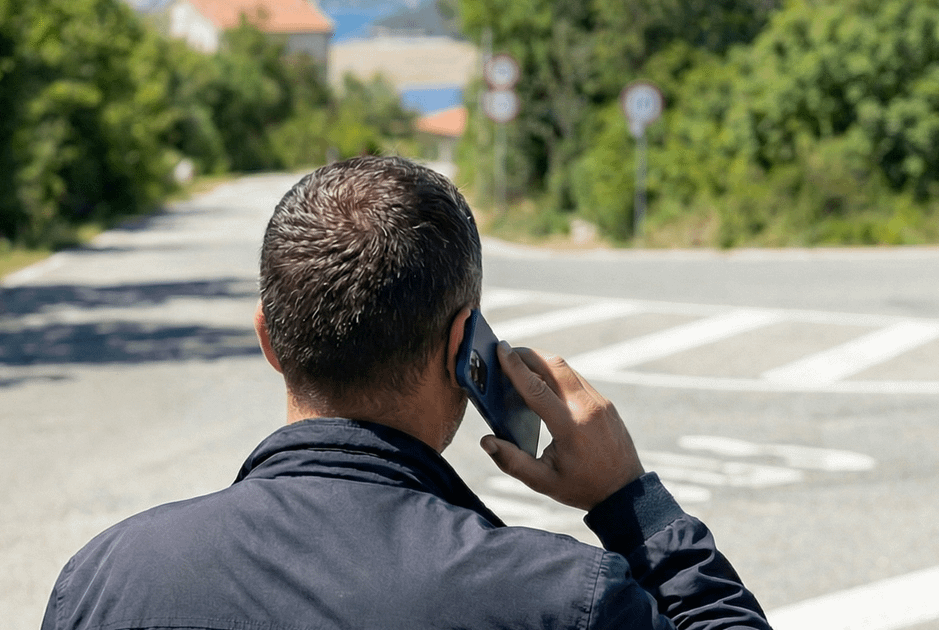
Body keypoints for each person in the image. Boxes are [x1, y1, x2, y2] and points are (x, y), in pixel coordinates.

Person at [40, 156, 772, 630]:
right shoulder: (564, 599)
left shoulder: (106, 580)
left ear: (269, 339)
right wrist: (633, 506)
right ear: (463, 350)